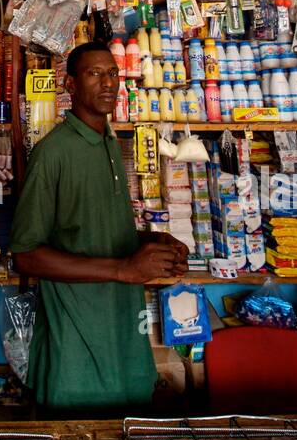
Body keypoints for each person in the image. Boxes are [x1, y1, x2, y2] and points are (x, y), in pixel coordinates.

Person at [10, 41, 188, 415]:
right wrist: (123, 269)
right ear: (70, 85)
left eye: (113, 73)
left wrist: (155, 243)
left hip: (122, 332)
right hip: (75, 345)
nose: (108, 83)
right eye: (94, 73)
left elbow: (93, 228)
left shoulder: (109, 143)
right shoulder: (53, 153)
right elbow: (26, 256)